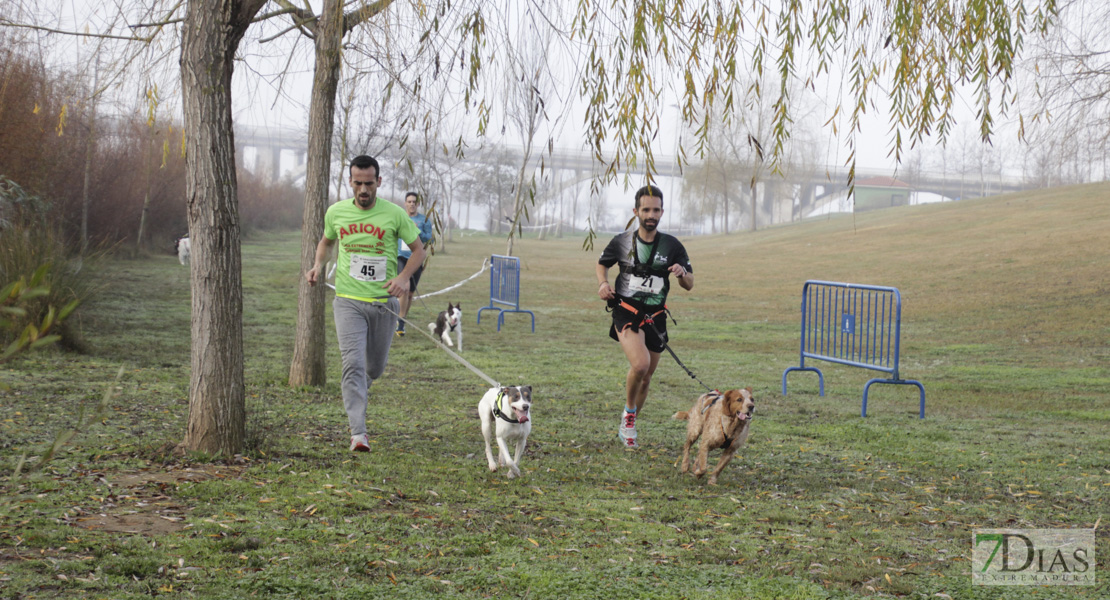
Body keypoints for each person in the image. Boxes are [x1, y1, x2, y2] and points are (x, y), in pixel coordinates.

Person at [306, 155, 425, 453]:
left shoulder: (395, 215)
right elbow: (326, 242)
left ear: (378, 182)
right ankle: (358, 433)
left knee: (374, 367)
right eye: (357, 183)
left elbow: (418, 251)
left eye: (368, 183)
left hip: (384, 304)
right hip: (348, 301)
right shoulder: (336, 212)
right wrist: (318, 266)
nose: (363, 189)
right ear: (350, 182)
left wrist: (403, 277)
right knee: (353, 364)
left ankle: (363, 384)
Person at [596, 185, 694, 449]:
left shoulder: (672, 245)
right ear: (636, 211)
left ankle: (629, 423)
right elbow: (602, 263)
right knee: (640, 365)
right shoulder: (622, 241)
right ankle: (629, 415)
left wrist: (681, 273)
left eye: (656, 209)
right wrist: (603, 284)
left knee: (648, 376)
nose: (651, 214)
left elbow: (690, 284)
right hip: (626, 311)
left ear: (662, 211)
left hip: (656, 317)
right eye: (646, 209)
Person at [395, 191, 434, 336]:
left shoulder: (424, 221)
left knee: (410, 293)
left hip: (416, 258)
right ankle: (399, 321)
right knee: (405, 287)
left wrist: (416, 231)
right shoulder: (400, 217)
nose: (412, 204)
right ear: (405, 203)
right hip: (401, 256)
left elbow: (430, 239)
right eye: (409, 201)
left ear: (418, 204)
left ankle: (402, 320)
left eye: (414, 202)